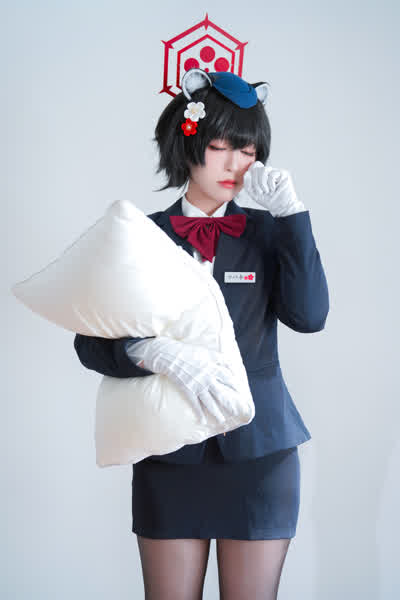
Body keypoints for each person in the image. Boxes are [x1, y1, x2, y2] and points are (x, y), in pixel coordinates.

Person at [73, 68, 329, 600]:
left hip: (260, 453)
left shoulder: (270, 229)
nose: (236, 165)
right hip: (170, 452)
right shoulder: (140, 234)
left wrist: (294, 216)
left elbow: (309, 316)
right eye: (221, 148)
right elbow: (90, 342)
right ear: (187, 143)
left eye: (248, 151)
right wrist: (150, 352)